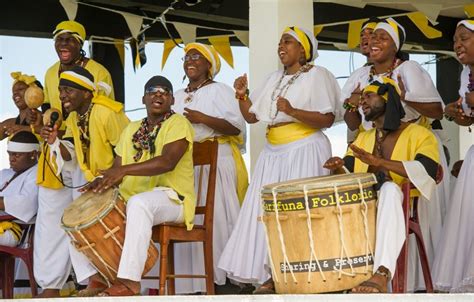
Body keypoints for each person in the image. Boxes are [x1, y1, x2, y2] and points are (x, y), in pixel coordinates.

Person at [218, 26, 341, 293]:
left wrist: (293, 111)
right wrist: (241, 96)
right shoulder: (274, 78)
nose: (281, 46)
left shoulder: (318, 75)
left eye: (288, 41)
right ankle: (270, 274)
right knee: (266, 215)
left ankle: (299, 273)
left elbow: (328, 119)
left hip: (305, 148)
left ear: (304, 49)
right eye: (280, 42)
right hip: (273, 153)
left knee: (298, 214)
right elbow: (251, 117)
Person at [341, 18, 447, 292]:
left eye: (381, 37)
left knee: (390, 190)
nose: (372, 41)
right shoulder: (363, 79)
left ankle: (388, 275)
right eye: (369, 36)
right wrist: (337, 166)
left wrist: (399, 95)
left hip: (406, 157)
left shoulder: (408, 70)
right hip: (372, 153)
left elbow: (436, 110)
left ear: (396, 46)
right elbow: (353, 128)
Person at [68, 75, 196, 296]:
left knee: (139, 204)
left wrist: (124, 170)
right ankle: (95, 278)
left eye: (165, 92)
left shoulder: (179, 124)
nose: (158, 94)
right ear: (143, 98)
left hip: (173, 199)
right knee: (77, 214)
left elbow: (167, 162)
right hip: (131, 200)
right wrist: (102, 182)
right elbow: (118, 169)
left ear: (172, 100)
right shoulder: (132, 129)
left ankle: (128, 282)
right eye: (152, 91)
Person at [324, 78, 439, 293]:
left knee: (388, 190)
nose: (362, 102)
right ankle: (329, 278)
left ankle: (382, 272)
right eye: (362, 98)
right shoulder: (362, 138)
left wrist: (380, 163)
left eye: (369, 96)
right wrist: (337, 167)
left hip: (399, 202)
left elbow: (428, 171)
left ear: (387, 98)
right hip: (360, 206)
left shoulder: (420, 135)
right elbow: (348, 175)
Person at [30, 20, 116, 298]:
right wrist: (42, 124)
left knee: (85, 214)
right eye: (59, 40)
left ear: (81, 43)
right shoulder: (50, 72)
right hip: (56, 148)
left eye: (70, 40)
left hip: (86, 150)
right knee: (50, 217)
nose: (63, 44)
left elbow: (101, 111)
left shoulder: (98, 71)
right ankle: (50, 284)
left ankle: (94, 279)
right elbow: (51, 109)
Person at [170, 42, 247, 293]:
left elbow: (236, 128)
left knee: (219, 221)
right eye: (187, 57)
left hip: (217, 160)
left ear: (209, 65)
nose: (190, 60)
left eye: (196, 57)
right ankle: (191, 282)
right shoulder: (177, 96)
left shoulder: (221, 91)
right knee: (190, 221)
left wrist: (203, 119)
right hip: (185, 166)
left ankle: (223, 279)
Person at [432, 18, 474, 293]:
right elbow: (468, 120)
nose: (457, 45)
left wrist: (470, 101)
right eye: (455, 41)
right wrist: (457, 113)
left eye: (464, 38)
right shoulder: (465, 75)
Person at [0, 131, 39, 247]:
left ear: (32, 154)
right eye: (10, 154)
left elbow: (27, 204)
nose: (11, 159)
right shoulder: (6, 173)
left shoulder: (36, 175)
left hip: (10, 231)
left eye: (17, 155)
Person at [0, 72, 43, 140]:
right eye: (13, 92)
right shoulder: (11, 123)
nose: (15, 93)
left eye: (20, 89)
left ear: (33, 91)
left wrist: (30, 128)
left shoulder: (42, 117)